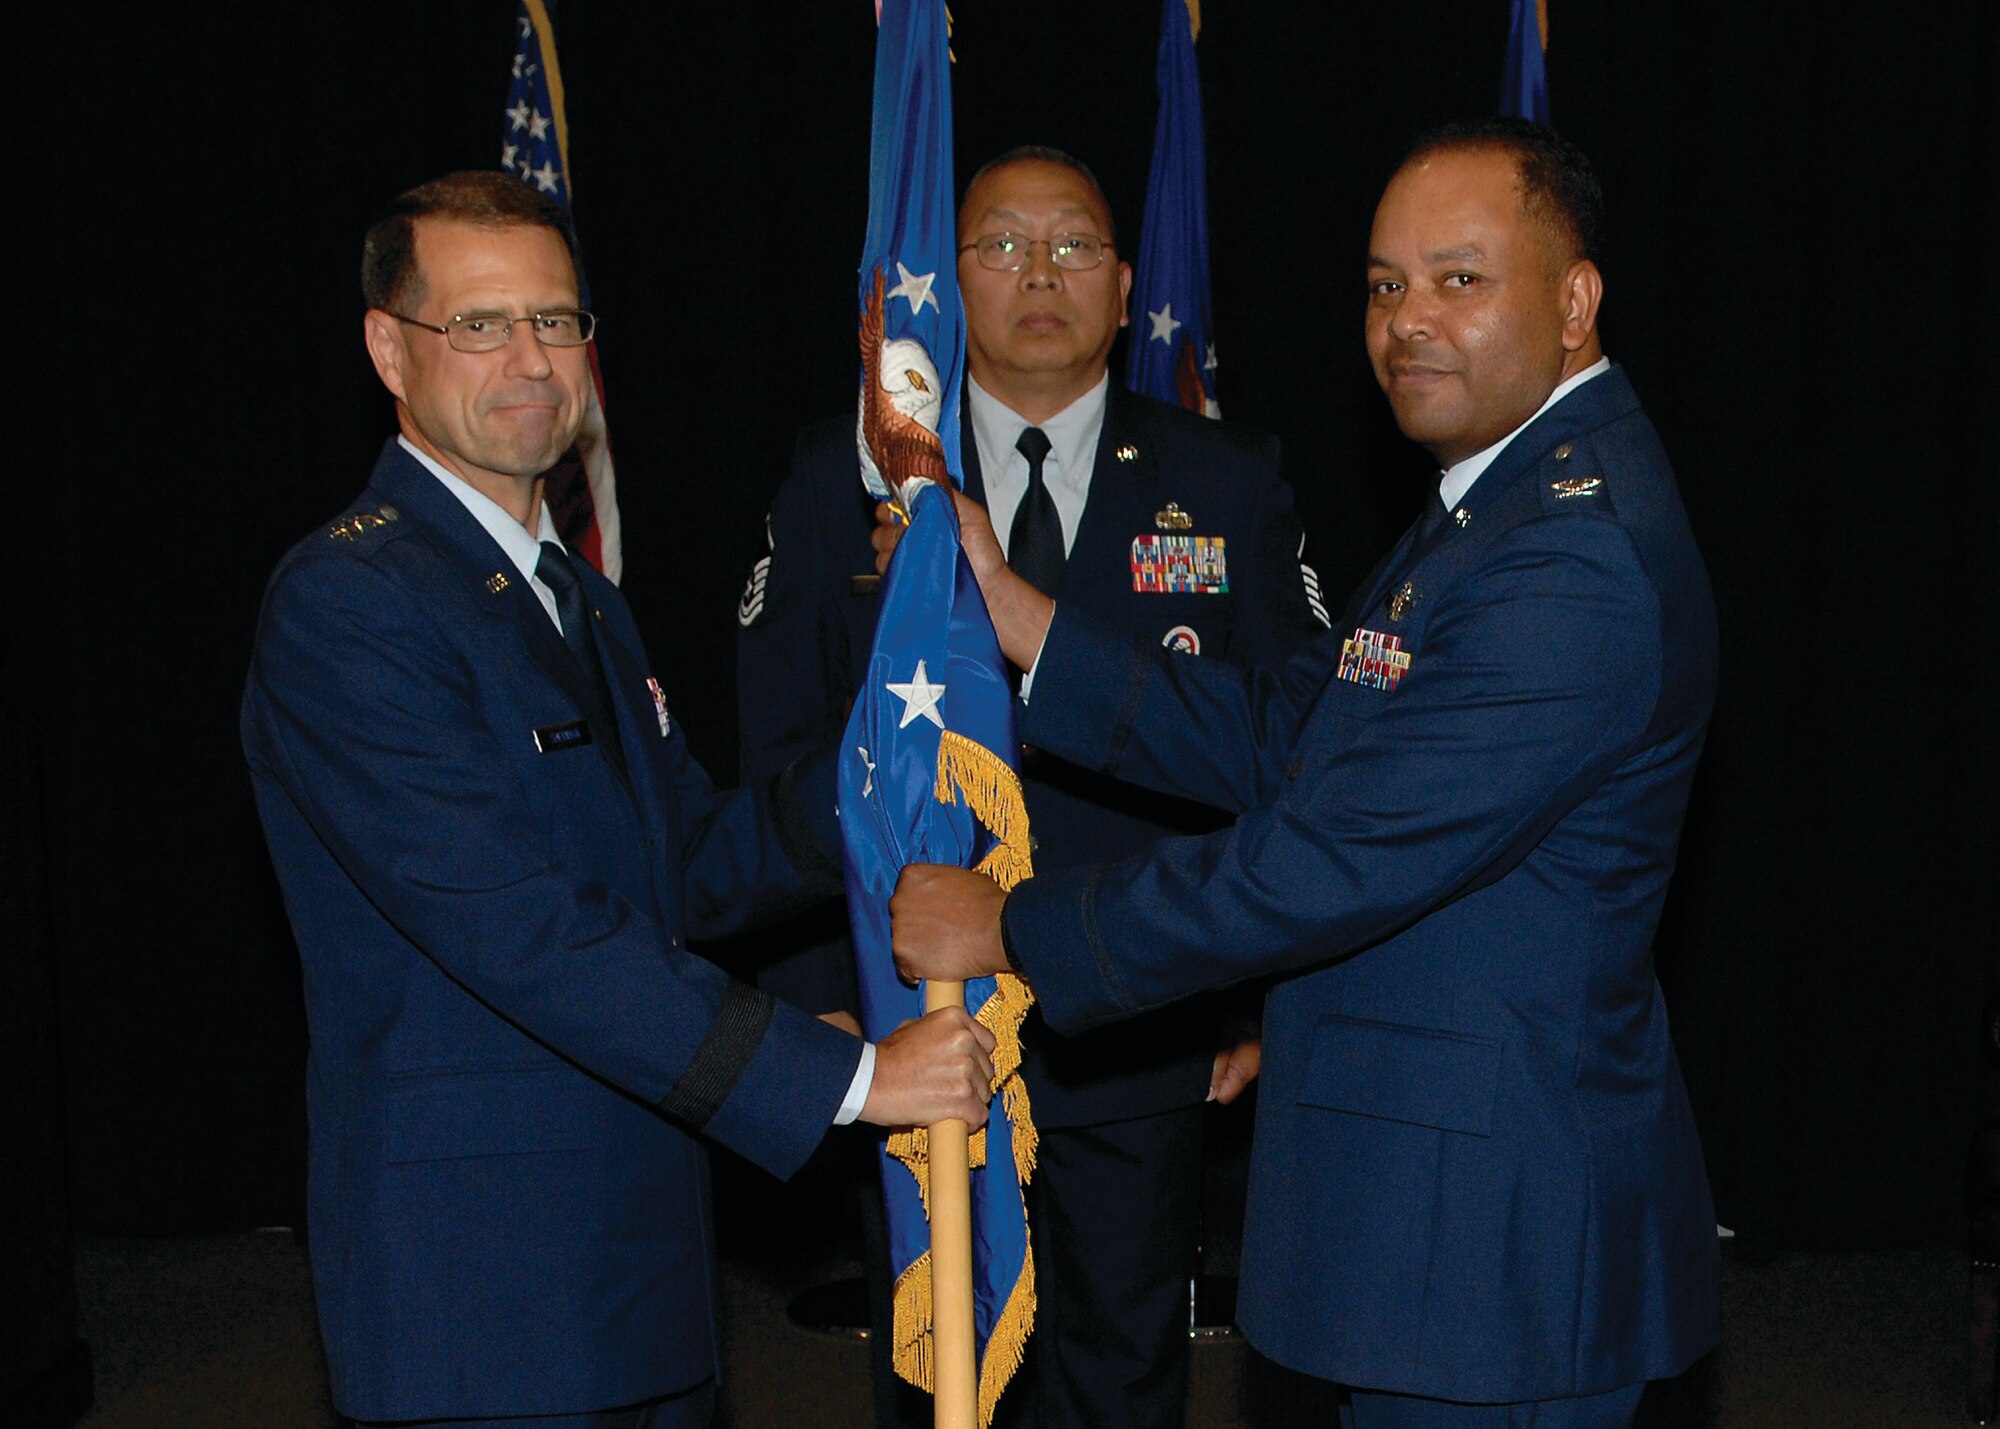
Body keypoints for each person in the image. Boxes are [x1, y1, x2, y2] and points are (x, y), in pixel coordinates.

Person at [888, 120, 1721, 1428]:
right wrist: (1027, 620)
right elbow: (1304, 730)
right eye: (1386, 285)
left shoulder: (1572, 560)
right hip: (1423, 1220)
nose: (1408, 322)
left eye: (1460, 279)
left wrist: (1007, 924)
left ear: (1574, 300)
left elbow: (1327, 856)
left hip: (1488, 1257)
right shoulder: (1494, 502)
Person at [240, 170, 996, 1429]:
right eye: (479, 324)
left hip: (638, 1263)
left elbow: (682, 860)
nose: (531, 361)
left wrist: (880, 775)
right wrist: (850, 1079)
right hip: (484, 1289)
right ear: (389, 347)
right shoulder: (350, 605)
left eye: (557, 320)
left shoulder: (576, 597)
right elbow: (524, 929)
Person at [736, 146, 1327, 1427]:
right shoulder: (845, 480)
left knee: (1122, 1366)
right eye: (1001, 245)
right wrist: (816, 1003)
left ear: (1124, 288)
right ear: (945, 289)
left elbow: (1294, 757)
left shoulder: (1229, 480)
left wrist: (1265, 997)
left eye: (1073, 245)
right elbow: (781, 755)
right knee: (943, 1367)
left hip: (1139, 1007)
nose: (1039, 273)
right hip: (917, 1012)